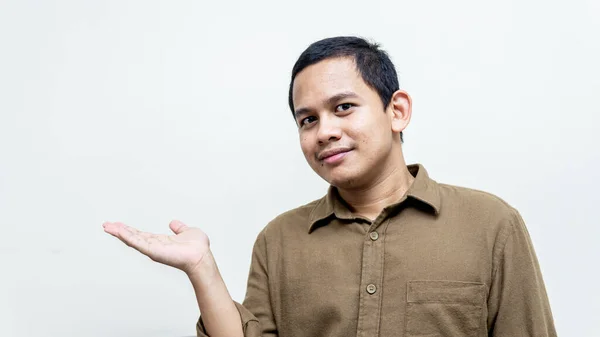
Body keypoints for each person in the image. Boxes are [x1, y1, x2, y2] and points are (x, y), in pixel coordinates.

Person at [103, 36, 557, 337]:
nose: (324, 132)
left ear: (396, 110)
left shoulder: (490, 223)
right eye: (308, 120)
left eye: (343, 108)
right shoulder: (279, 239)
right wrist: (202, 269)